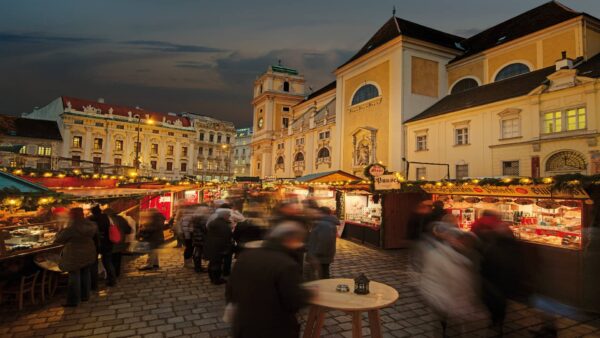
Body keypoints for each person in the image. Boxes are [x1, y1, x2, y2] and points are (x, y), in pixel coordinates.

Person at [226, 221, 312, 338]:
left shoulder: (246, 256)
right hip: (274, 328)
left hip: (244, 325)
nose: (300, 244)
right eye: (298, 240)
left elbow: (230, 290)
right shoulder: (287, 264)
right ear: (289, 239)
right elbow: (294, 301)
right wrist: (308, 293)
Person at [471, 210, 520, 335]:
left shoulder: (478, 224)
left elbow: (473, 235)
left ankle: (494, 319)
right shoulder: (505, 238)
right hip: (503, 276)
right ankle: (499, 320)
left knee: (492, 297)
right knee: (500, 299)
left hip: (490, 272)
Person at [53, 208, 98, 307]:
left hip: (74, 254)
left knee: (74, 276)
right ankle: (85, 296)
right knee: (85, 273)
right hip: (88, 251)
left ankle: (73, 300)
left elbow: (59, 239)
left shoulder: (72, 227)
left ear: (73, 215)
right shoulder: (90, 224)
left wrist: (60, 230)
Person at [306, 206, 338, 279]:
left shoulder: (324, 224)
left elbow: (325, 240)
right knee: (323, 273)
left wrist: (316, 252)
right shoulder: (326, 223)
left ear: (321, 213)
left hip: (319, 255)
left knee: (319, 275)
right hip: (322, 254)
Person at [88, 205, 117, 287]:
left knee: (94, 264)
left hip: (95, 243)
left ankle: (94, 284)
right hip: (107, 242)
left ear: (92, 212)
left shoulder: (90, 219)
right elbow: (112, 227)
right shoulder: (107, 218)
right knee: (108, 262)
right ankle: (112, 280)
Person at [204, 207, 233, 284]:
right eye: (228, 215)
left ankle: (212, 278)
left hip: (212, 245)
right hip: (218, 247)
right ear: (224, 215)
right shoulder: (223, 225)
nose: (229, 216)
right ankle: (216, 280)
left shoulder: (214, 222)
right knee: (216, 263)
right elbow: (226, 237)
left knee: (213, 262)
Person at [105, 208, 132, 278]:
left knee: (109, 260)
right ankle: (117, 274)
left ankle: (111, 276)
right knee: (117, 259)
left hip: (109, 244)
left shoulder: (105, 220)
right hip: (120, 243)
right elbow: (128, 230)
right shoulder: (120, 218)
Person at [191, 204, 211, 273]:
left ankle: (197, 267)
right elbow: (204, 228)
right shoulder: (202, 217)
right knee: (198, 251)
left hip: (196, 236)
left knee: (197, 251)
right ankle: (198, 268)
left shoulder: (195, 216)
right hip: (201, 236)